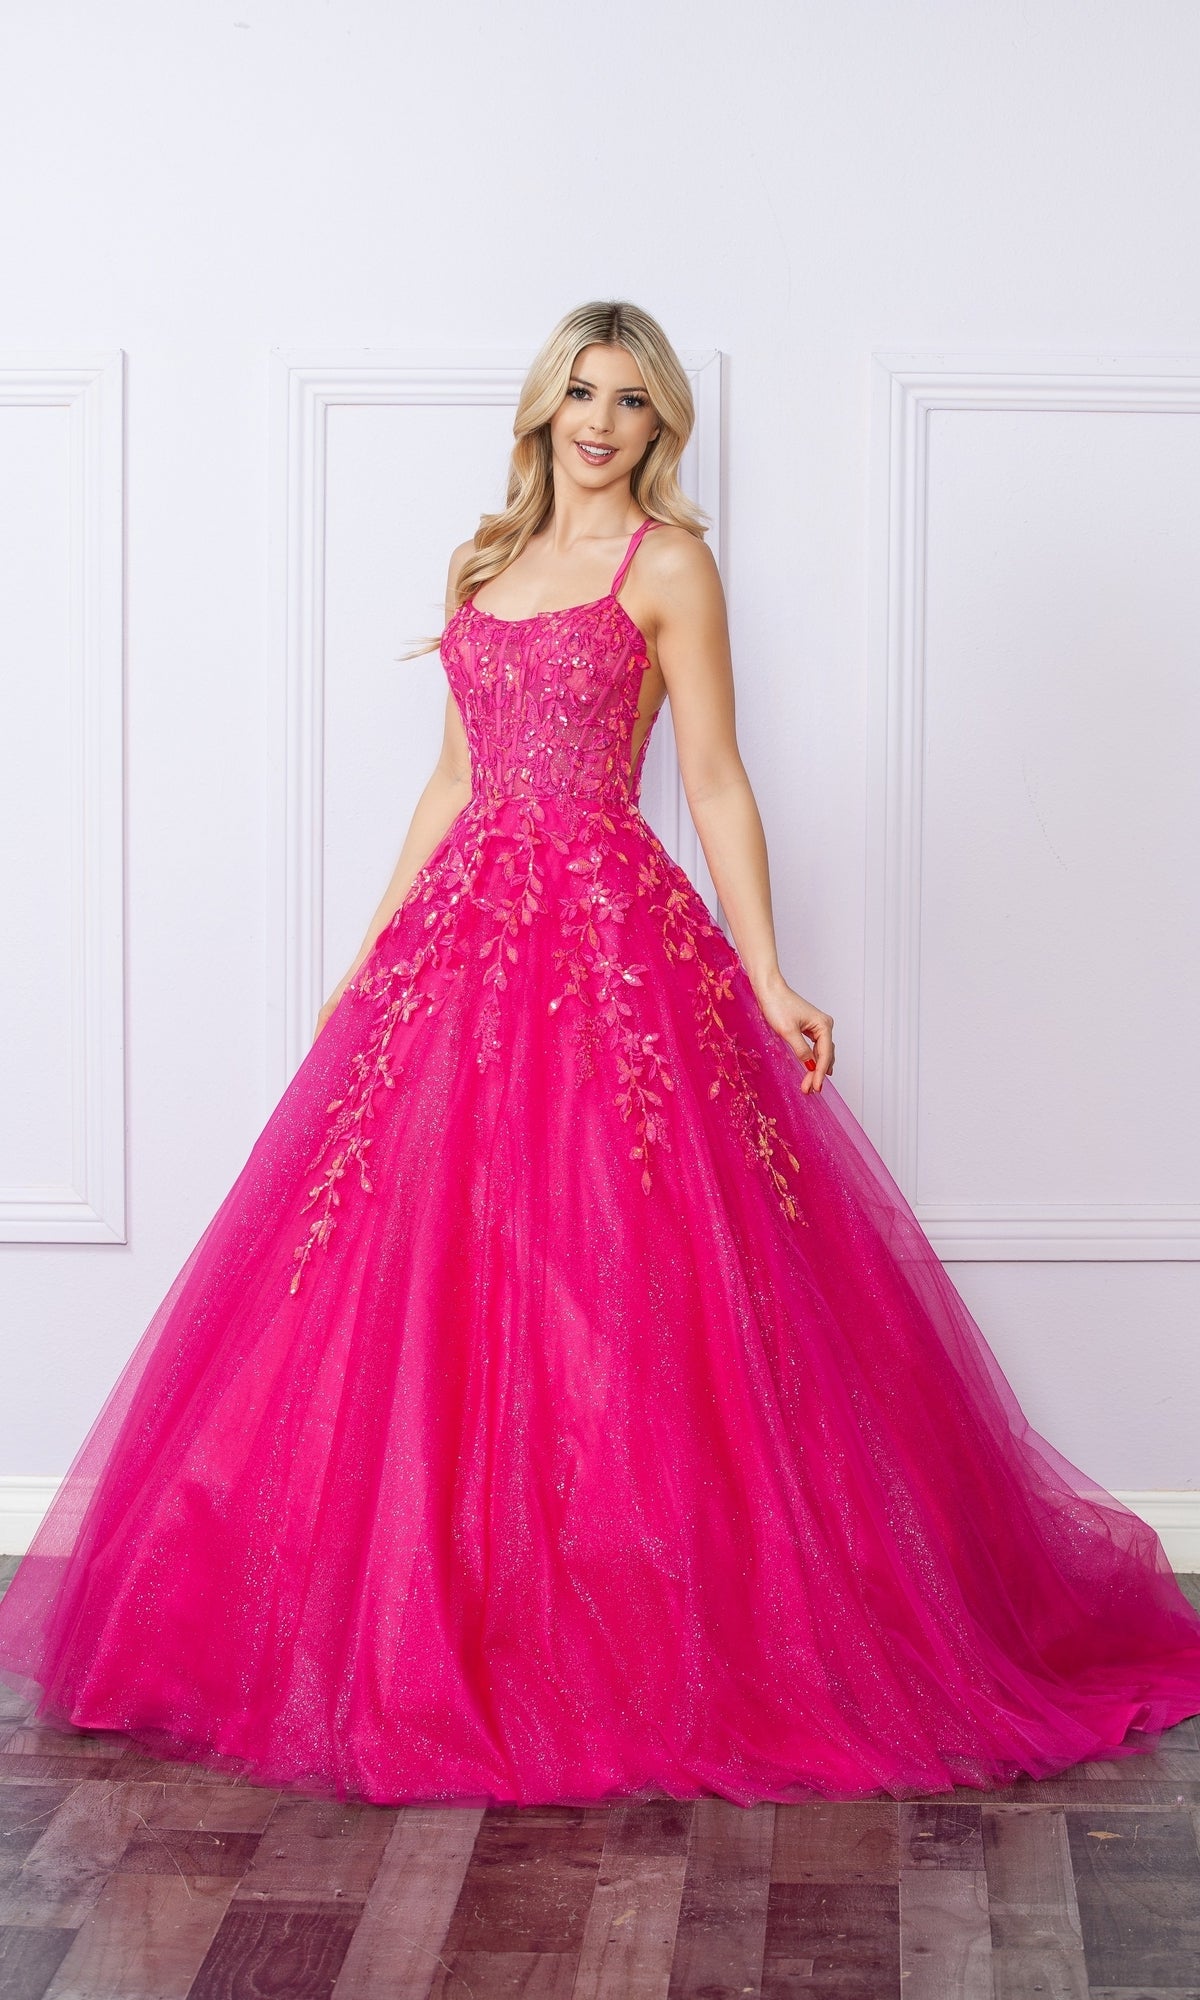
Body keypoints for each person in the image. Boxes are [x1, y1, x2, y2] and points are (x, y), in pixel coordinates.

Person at [1, 299, 1198, 1811]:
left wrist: (766, 974)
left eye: (628, 399)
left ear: (659, 427)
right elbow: (450, 779)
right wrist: (370, 952)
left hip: (609, 945)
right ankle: (455, 1613)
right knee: (426, 1277)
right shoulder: (485, 565)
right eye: (579, 389)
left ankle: (622, 1623)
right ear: (543, 407)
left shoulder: (669, 566)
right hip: (461, 939)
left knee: (624, 1279)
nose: (598, 419)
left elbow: (711, 775)